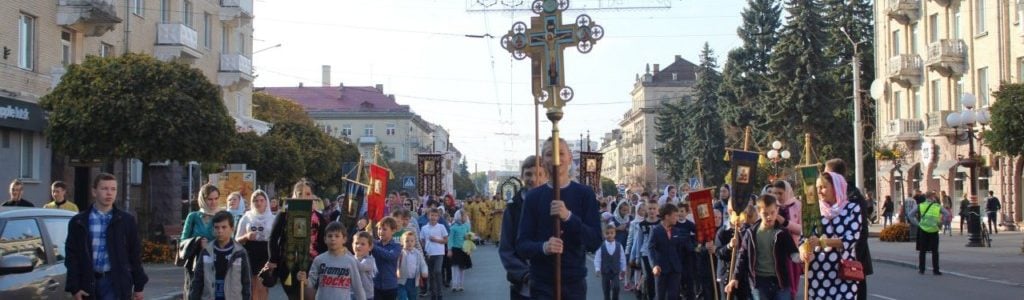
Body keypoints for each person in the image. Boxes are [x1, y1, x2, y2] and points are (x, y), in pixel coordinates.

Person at [517, 138, 603, 299]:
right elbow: (522, 245)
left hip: (573, 283)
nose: (556, 159)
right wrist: (544, 247)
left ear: (570, 158)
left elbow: (595, 241)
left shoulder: (585, 194)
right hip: (542, 283)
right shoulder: (533, 197)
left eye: (561, 153)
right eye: (550, 154)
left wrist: (569, 217)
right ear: (543, 161)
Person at [65, 173, 147, 300]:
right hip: (89, 282)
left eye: (113, 189)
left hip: (115, 282)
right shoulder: (79, 222)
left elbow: (134, 254)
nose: (109, 193)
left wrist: (139, 286)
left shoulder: (126, 220)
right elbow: (72, 256)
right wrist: (74, 287)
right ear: (94, 191)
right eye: (104, 189)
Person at [800, 171, 862, 299]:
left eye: (823, 187)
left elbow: (851, 239)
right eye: (817, 188)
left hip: (843, 274)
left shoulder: (852, 209)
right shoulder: (813, 211)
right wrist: (803, 252)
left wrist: (822, 242)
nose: (819, 191)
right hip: (818, 275)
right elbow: (803, 239)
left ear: (836, 187)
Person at [726, 195, 800, 300]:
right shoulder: (751, 233)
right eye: (765, 214)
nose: (769, 217)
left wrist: (802, 257)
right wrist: (735, 277)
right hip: (759, 283)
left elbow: (793, 253)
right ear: (759, 212)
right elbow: (742, 256)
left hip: (781, 282)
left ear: (777, 210)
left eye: (772, 213)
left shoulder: (783, 232)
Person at [268, 180, 329, 300]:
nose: (303, 197)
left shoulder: (320, 218)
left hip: (312, 265)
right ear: (294, 196)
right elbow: (273, 238)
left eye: (307, 193)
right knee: (294, 297)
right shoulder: (284, 215)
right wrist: (273, 259)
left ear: (312, 196)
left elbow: (324, 241)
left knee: (309, 296)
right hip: (289, 264)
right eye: (299, 193)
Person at [824, 159, 873, 300]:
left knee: (855, 293)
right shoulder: (836, 196)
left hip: (852, 259)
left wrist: (852, 256)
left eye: (826, 173)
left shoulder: (852, 197)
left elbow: (861, 233)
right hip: (834, 259)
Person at [188, 211, 252, 300]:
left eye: (224, 227)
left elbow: (246, 282)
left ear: (232, 229)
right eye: (216, 227)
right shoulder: (206, 251)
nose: (220, 231)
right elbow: (197, 280)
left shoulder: (240, 252)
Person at [297, 221, 367, 300]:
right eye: (330, 236)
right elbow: (311, 283)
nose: (333, 239)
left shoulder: (350, 261)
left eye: (337, 236)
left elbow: (358, 288)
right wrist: (304, 280)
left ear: (344, 239)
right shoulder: (319, 259)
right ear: (325, 239)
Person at [182, 184, 223, 293]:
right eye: (210, 199)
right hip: (195, 261)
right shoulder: (193, 216)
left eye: (216, 199)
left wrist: (210, 245)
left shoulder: (223, 216)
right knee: (194, 292)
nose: (213, 202)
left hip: (217, 259)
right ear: (203, 199)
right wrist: (197, 241)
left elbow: (230, 240)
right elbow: (183, 241)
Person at [235, 190, 274, 300]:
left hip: (267, 252)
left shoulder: (272, 218)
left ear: (266, 202)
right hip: (250, 252)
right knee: (252, 286)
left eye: (261, 200)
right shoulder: (246, 217)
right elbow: (236, 240)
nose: (259, 203)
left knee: (264, 285)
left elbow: (277, 240)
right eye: (255, 201)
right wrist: (246, 236)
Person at [647, 203, 689, 300]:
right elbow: (650, 248)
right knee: (660, 296)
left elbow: (683, 246)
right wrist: (654, 265)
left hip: (675, 269)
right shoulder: (655, 230)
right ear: (667, 216)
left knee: (673, 296)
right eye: (675, 216)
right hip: (661, 269)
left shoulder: (676, 231)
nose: (677, 218)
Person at [769, 180, 802, 296]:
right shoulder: (771, 207)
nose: (778, 196)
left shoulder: (797, 205)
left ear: (787, 192)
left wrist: (785, 223)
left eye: (780, 193)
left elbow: (802, 230)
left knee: (792, 286)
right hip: (775, 253)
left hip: (793, 251)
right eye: (775, 193)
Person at [718, 204, 757, 300]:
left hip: (745, 276)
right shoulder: (723, 231)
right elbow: (719, 253)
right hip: (727, 275)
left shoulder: (748, 231)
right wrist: (729, 246)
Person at [908, 192, 948, 275]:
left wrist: (917, 224)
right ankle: (936, 270)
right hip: (934, 230)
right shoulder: (937, 206)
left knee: (922, 251)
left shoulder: (921, 205)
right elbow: (947, 214)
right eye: (934, 196)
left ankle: (921, 269)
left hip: (923, 230)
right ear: (932, 197)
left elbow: (910, 215)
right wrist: (941, 223)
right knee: (935, 251)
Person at [630, 201, 660, 299]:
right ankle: (649, 296)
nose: (652, 211)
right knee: (649, 277)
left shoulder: (660, 222)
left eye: (654, 209)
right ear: (647, 210)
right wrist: (637, 257)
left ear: (657, 210)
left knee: (658, 277)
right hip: (646, 254)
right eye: (650, 209)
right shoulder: (642, 224)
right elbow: (639, 241)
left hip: (658, 253)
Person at [420, 208, 448, 300]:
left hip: (439, 253)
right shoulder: (424, 228)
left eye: (435, 216)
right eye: (432, 215)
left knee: (437, 271)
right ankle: (433, 295)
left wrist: (436, 240)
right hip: (429, 254)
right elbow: (422, 240)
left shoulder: (441, 227)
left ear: (438, 217)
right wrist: (425, 248)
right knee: (431, 275)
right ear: (428, 216)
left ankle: (440, 294)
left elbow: (445, 240)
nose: (433, 217)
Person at [372, 216, 403, 300]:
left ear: (393, 231)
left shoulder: (396, 246)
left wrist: (373, 247)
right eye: (379, 229)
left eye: (384, 229)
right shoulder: (374, 244)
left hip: (390, 286)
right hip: (375, 285)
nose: (381, 231)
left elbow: (390, 256)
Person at [594, 225, 626, 300]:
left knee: (616, 287)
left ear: (615, 234)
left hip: (615, 271)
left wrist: (623, 269)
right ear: (604, 234)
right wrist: (597, 269)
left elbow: (622, 258)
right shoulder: (601, 246)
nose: (609, 235)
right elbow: (597, 258)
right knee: (606, 290)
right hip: (605, 271)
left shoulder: (619, 245)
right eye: (607, 233)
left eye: (612, 233)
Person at [397, 231, 429, 300]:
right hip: (401, 281)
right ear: (402, 242)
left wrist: (424, 271)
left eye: (412, 241)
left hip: (414, 281)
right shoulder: (400, 253)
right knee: (402, 297)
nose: (409, 243)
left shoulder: (417, 253)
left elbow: (423, 264)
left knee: (413, 297)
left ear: (415, 242)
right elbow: (396, 263)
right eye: (407, 241)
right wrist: (397, 270)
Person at [623, 201, 647, 293]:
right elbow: (630, 237)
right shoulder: (633, 223)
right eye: (641, 210)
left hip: (644, 249)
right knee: (637, 268)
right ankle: (637, 286)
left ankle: (642, 286)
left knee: (644, 270)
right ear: (637, 211)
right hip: (635, 249)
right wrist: (627, 250)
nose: (643, 212)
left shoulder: (647, 222)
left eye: (645, 210)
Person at [448, 209, 472, 292]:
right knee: (454, 267)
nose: (466, 217)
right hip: (455, 249)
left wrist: (469, 249)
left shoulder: (466, 226)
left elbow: (469, 238)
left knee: (462, 267)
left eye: (465, 216)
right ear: (459, 216)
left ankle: (461, 284)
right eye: (464, 216)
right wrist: (449, 249)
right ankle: (454, 284)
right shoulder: (453, 227)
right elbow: (450, 239)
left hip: (464, 249)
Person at [353, 231, 378, 300]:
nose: (358, 246)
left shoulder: (370, 260)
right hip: (353, 294)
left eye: (362, 244)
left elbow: (360, 267)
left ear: (370, 247)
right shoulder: (351, 258)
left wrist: (348, 256)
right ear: (352, 245)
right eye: (356, 243)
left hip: (366, 295)